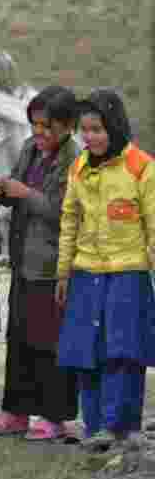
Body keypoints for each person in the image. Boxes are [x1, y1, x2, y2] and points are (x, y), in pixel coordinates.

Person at [56, 89, 155, 452]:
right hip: (85, 274)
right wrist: (63, 273)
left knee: (124, 351)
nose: (90, 137)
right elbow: (69, 221)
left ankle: (123, 427)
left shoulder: (141, 167)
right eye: (85, 130)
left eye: (97, 129)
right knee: (88, 352)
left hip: (128, 274)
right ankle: (95, 425)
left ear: (114, 126)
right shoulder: (78, 167)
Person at [0, 87, 80, 440]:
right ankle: (17, 411)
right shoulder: (30, 149)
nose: (39, 133)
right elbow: (17, 192)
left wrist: (24, 193)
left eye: (47, 126)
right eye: (34, 125)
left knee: (51, 342)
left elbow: (65, 211)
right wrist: (3, 190)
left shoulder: (75, 159)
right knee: (21, 338)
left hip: (53, 266)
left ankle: (55, 416)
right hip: (24, 261)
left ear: (68, 125)